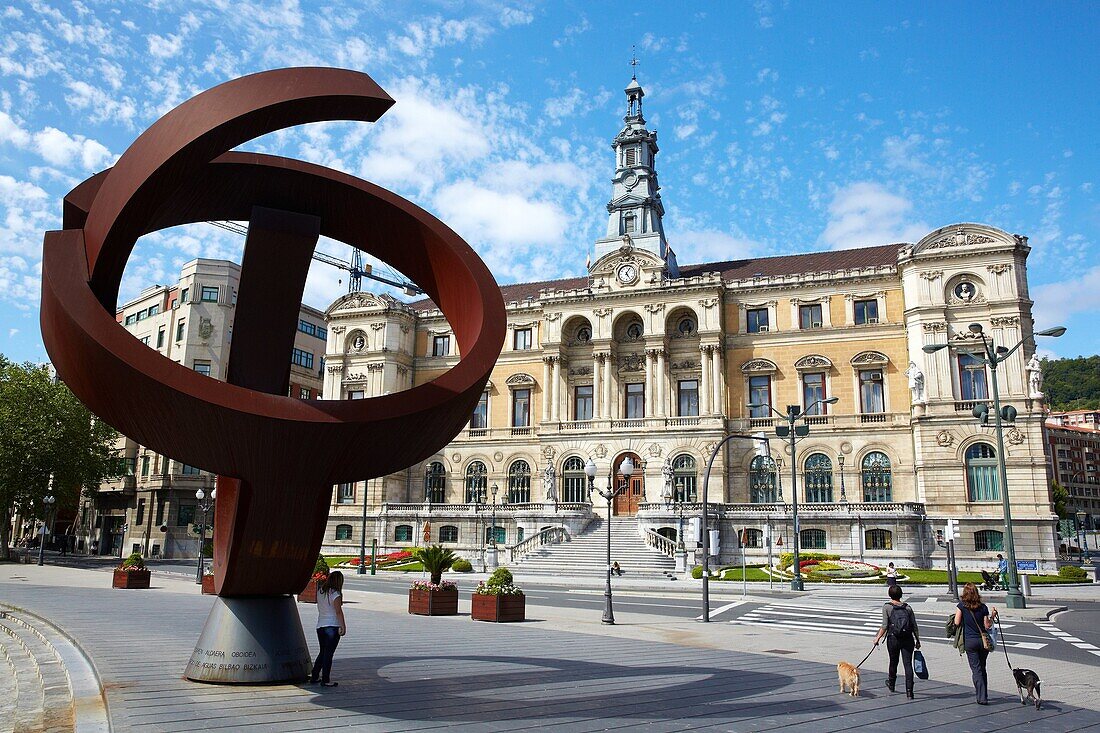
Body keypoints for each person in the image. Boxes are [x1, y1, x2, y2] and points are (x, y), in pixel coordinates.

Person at [873, 584, 920, 699]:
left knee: (893, 662)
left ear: (890, 594)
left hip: (893, 638)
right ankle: (910, 691)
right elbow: (914, 625)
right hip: (908, 639)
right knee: (908, 664)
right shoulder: (908, 607)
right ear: (901, 594)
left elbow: (884, 625)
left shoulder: (887, 607)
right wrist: (918, 640)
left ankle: (892, 684)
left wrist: (877, 638)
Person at [955, 582, 998, 705]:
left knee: (976, 669)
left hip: (970, 641)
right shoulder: (983, 607)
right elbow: (987, 625)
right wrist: (993, 616)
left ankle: (981, 697)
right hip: (983, 641)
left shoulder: (961, 606)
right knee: (982, 668)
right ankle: (984, 694)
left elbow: (957, 622)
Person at [310, 571, 346, 687]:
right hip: (332, 626)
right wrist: (343, 626)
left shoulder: (321, 592)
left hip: (320, 625)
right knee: (328, 654)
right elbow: (338, 611)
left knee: (323, 652)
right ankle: (325, 679)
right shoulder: (335, 594)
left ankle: (315, 675)